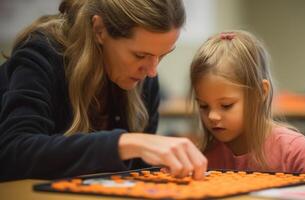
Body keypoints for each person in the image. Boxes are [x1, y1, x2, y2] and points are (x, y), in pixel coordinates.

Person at [0, 0, 207, 181]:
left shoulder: (145, 79)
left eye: (162, 55)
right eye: (139, 55)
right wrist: (126, 143)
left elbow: (134, 177)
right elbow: (13, 152)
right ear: (99, 29)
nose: (152, 71)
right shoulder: (42, 53)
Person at [189, 30, 305, 175]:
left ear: (260, 92)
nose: (212, 116)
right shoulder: (203, 156)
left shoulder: (296, 152)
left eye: (226, 105)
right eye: (203, 106)